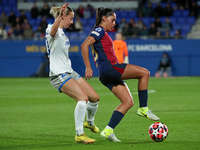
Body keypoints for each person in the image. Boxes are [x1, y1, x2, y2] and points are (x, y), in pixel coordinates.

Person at [81, 7, 159, 143]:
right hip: (111, 68)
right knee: (145, 73)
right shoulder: (99, 30)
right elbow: (84, 45)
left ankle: (108, 130)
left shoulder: (101, 32)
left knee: (128, 102)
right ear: (104, 18)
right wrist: (88, 67)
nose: (114, 23)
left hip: (104, 75)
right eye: (113, 20)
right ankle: (143, 109)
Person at [45, 3, 100, 144]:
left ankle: (89, 122)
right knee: (82, 98)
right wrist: (59, 18)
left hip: (69, 71)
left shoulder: (62, 33)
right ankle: (79, 134)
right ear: (63, 17)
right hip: (58, 74)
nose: (72, 22)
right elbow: (52, 33)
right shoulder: (52, 29)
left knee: (94, 97)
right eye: (70, 19)